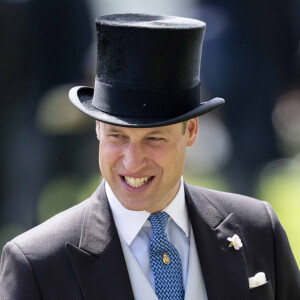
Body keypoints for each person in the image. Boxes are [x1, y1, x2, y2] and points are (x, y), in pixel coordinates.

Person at [0, 13, 299, 300]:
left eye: (154, 139)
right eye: (117, 136)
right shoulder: (37, 263)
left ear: (191, 131)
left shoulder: (259, 230)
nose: (132, 162)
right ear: (97, 129)